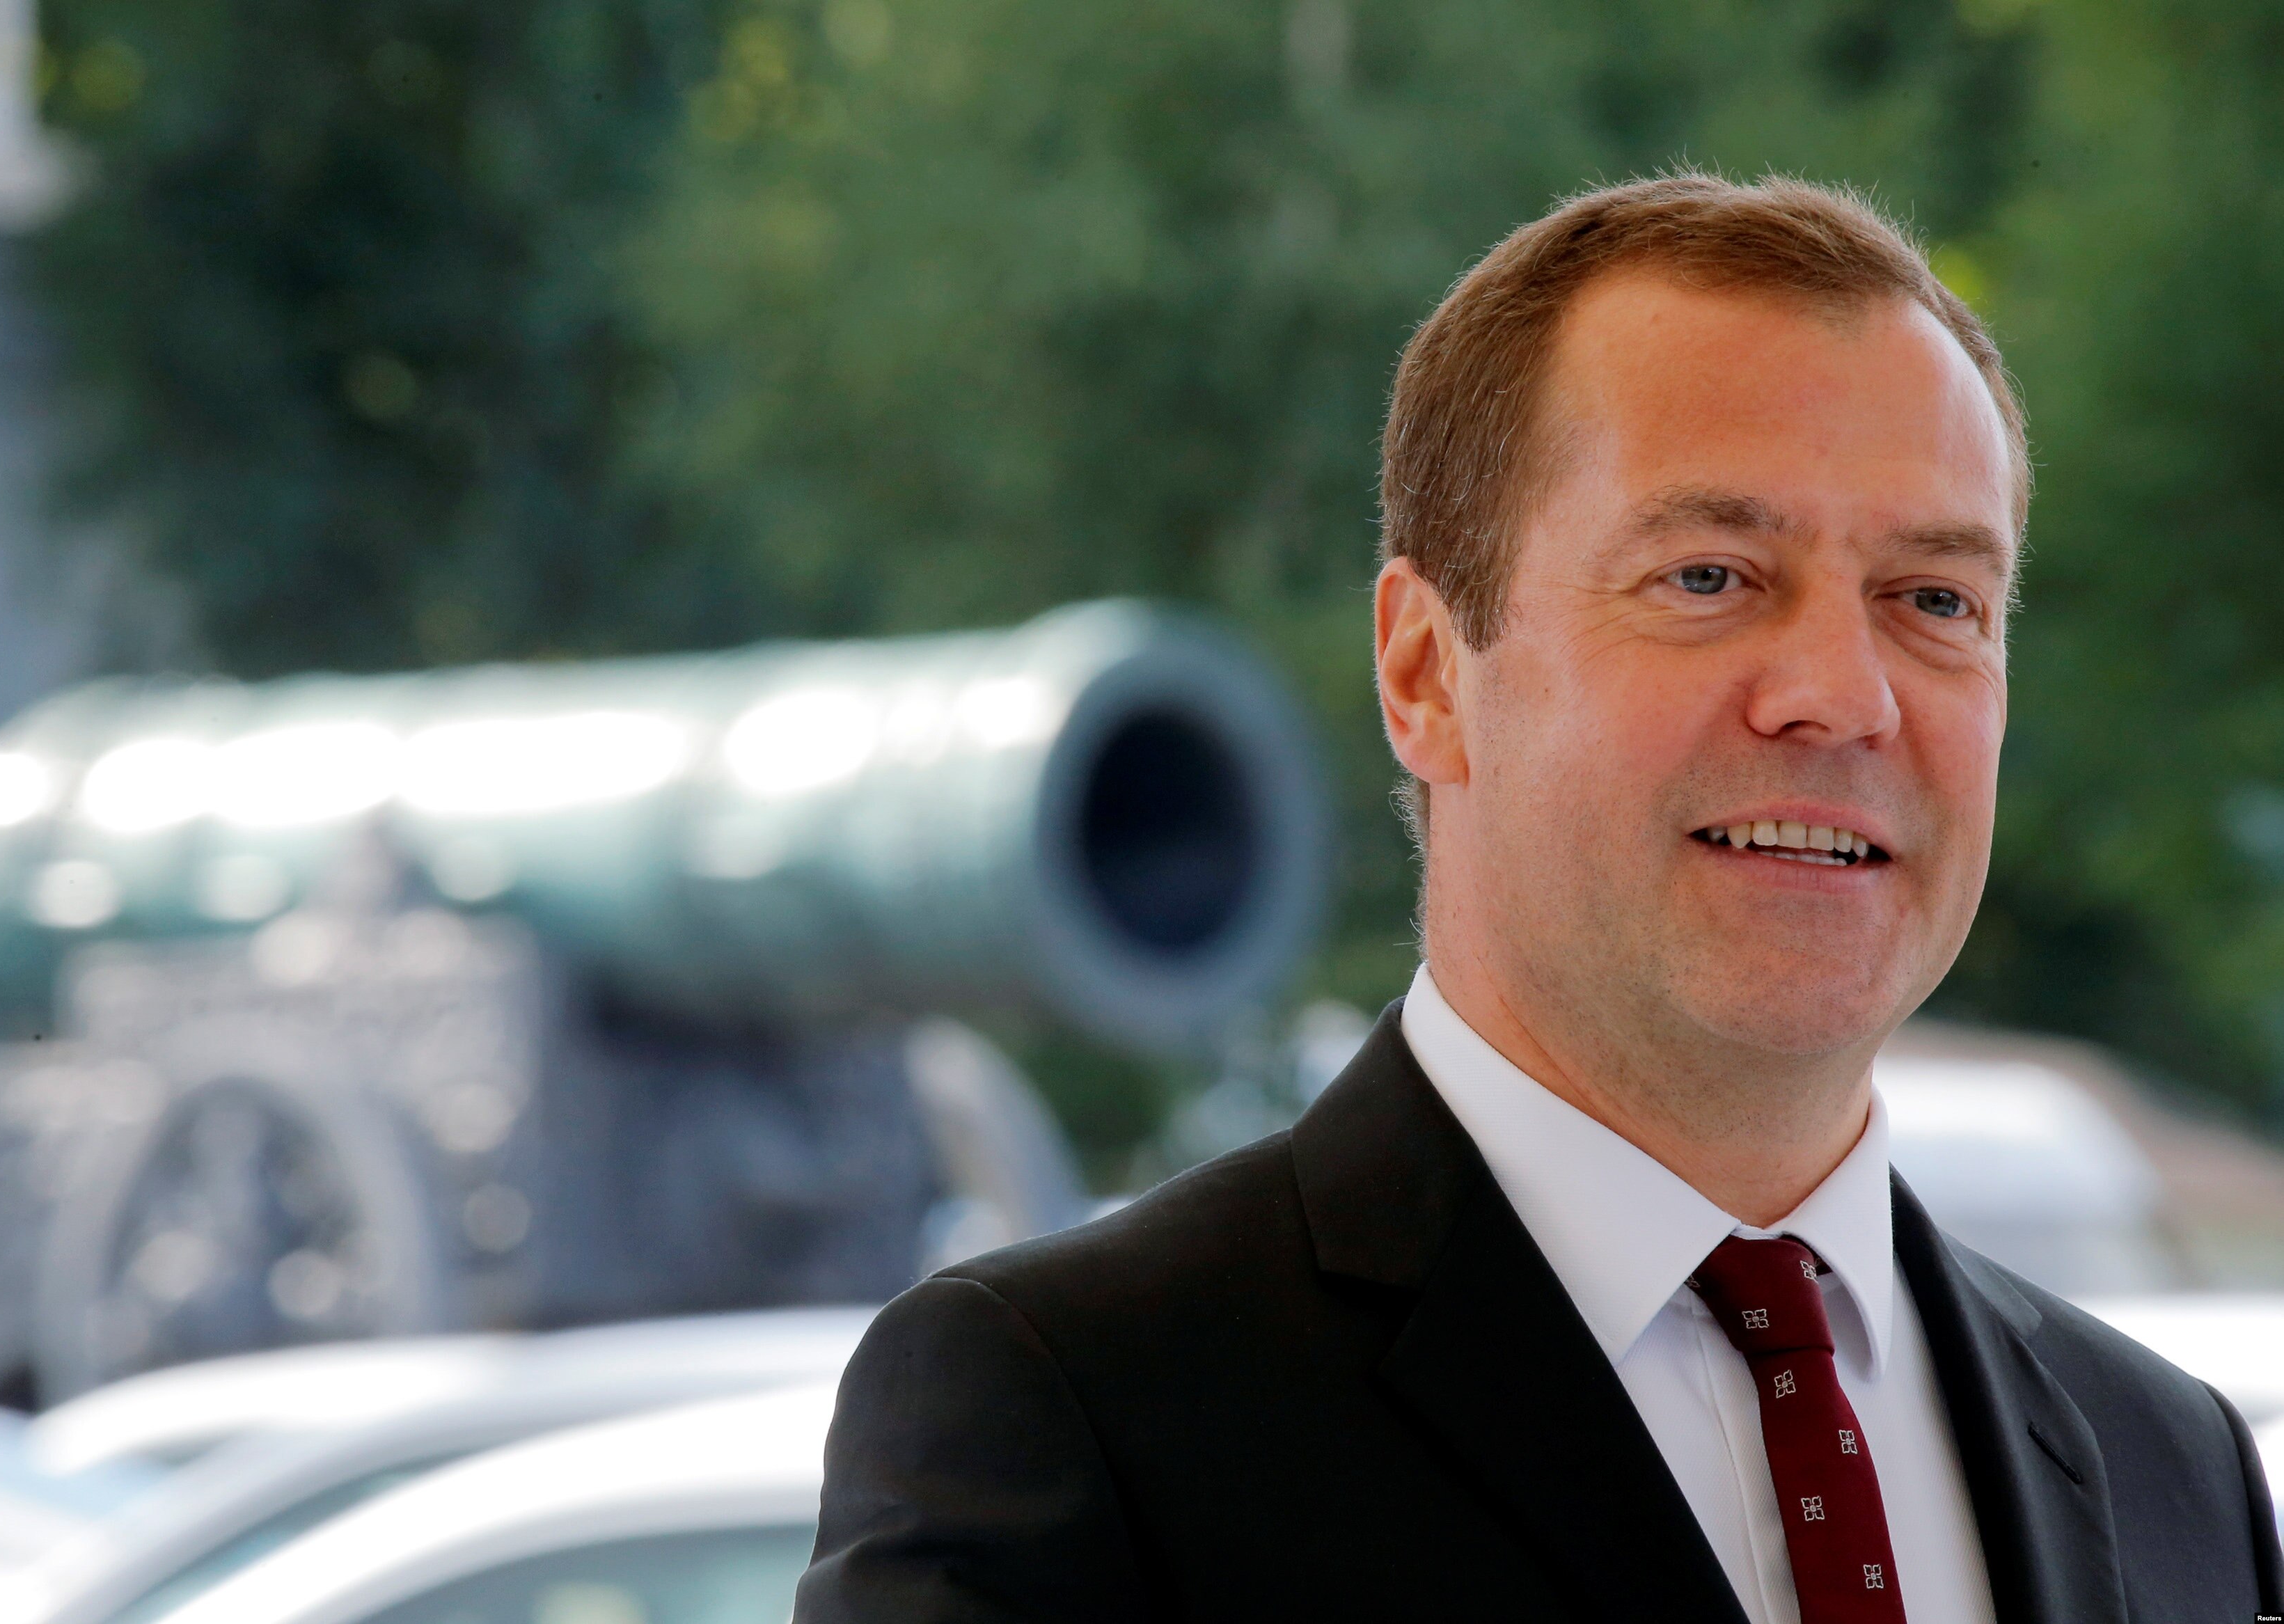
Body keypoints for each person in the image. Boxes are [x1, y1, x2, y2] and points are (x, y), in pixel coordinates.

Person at [794, 174, 2283, 1624]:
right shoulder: (1075, 1412)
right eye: (1709, 576)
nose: (1844, 695)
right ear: (1426, 675)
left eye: (1936, 600)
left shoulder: (2178, 1475)